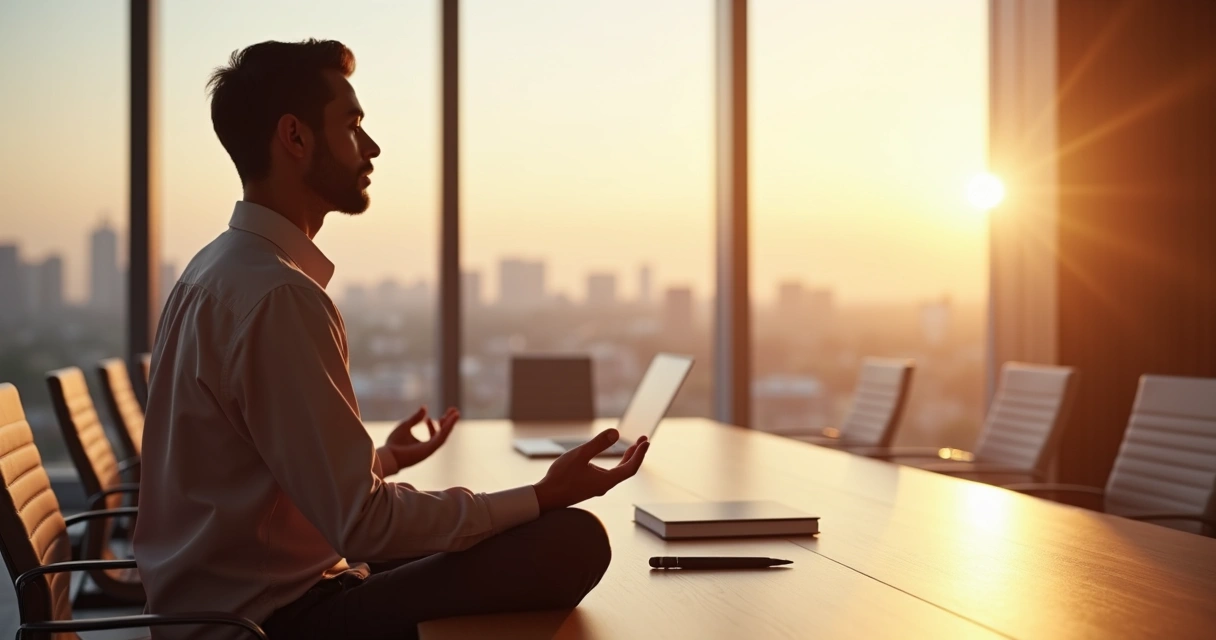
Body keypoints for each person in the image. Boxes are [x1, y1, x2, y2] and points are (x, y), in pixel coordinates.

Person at [132, 39, 649, 640]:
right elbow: (362, 524)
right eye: (352, 125)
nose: (371, 147)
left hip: (220, 607)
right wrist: (539, 494)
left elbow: (267, 471)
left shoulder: (213, 270)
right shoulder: (279, 297)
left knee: (496, 533)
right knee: (569, 539)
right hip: (269, 624)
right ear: (295, 137)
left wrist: (384, 460)